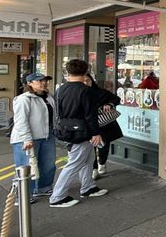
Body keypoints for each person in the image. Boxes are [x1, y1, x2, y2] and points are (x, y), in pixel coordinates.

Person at [49, 59, 108, 208]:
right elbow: (90, 114)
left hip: (67, 130)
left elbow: (58, 111)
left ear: (67, 72)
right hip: (83, 132)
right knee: (74, 163)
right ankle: (57, 196)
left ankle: (88, 187)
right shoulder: (86, 90)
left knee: (88, 159)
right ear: (86, 71)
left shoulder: (60, 89)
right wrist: (96, 133)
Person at [10, 73, 58, 203]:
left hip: (47, 136)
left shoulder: (48, 97)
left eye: (45, 80)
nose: (43, 83)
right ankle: (23, 195)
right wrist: (27, 138)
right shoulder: (24, 99)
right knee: (26, 167)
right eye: (39, 81)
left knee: (48, 164)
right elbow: (21, 121)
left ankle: (43, 187)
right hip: (27, 139)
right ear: (29, 83)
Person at [84, 73, 123, 179]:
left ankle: (102, 163)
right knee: (91, 147)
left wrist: (110, 104)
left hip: (104, 124)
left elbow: (116, 99)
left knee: (104, 144)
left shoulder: (100, 92)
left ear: (92, 81)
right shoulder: (78, 94)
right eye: (83, 81)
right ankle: (94, 169)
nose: (86, 83)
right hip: (88, 125)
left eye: (88, 80)